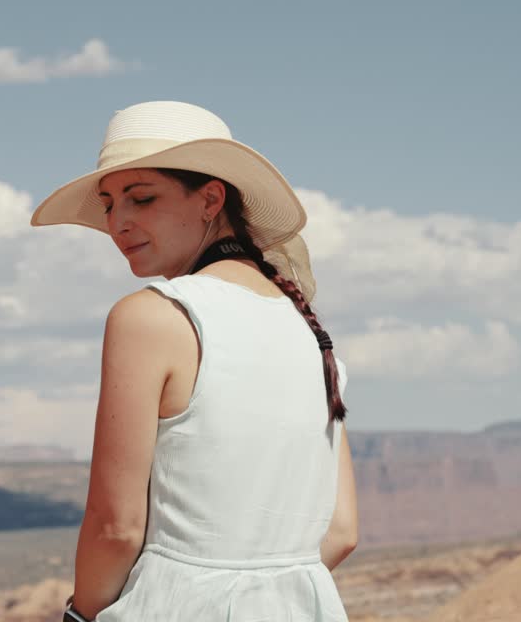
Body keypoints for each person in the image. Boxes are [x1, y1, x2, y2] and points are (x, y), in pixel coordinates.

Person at [31, 100, 358, 621]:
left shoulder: (151, 318)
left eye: (141, 198)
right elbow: (341, 533)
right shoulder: (310, 334)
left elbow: (115, 527)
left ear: (210, 199)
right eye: (110, 203)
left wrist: (82, 617)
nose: (118, 223)